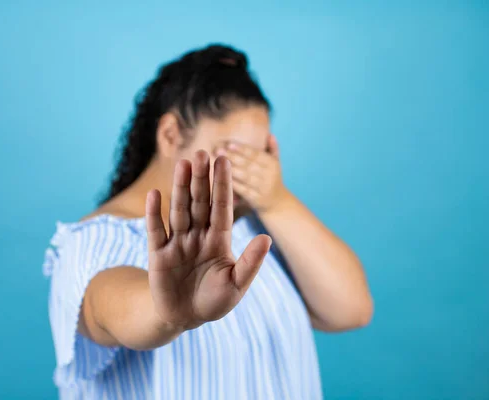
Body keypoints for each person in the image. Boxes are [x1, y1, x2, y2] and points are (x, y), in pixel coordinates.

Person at [43, 43, 373, 400]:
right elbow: (104, 311)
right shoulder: (94, 241)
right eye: (231, 152)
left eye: (260, 155)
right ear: (170, 135)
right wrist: (168, 311)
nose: (247, 173)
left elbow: (350, 310)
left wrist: (277, 201)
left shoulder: (255, 229)